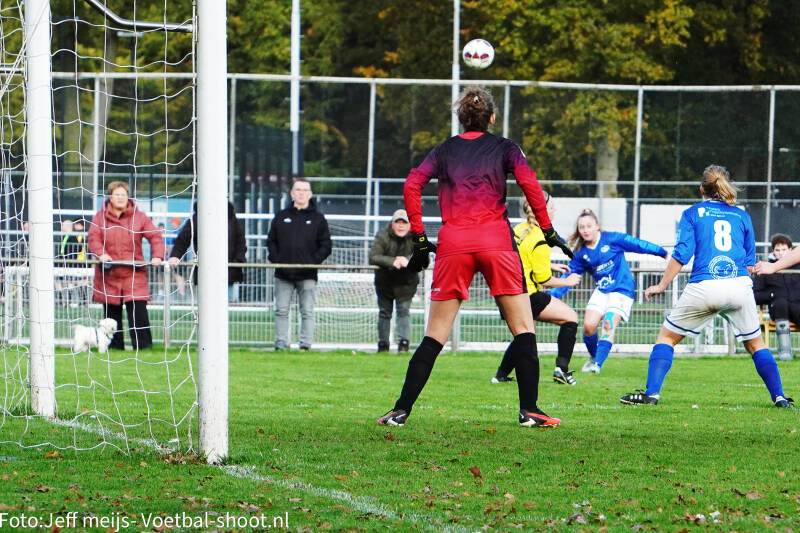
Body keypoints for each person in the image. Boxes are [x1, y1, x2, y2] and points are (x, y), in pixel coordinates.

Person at [377, 87, 573, 428]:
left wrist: (421, 237)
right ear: (492, 118)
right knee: (524, 328)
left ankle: (400, 410)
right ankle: (531, 410)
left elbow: (412, 184)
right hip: (496, 241)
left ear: (460, 118)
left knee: (435, 334)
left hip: (454, 243)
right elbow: (529, 183)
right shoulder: (506, 147)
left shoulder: (444, 150)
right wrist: (548, 228)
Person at [620, 165, 793, 408]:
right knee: (756, 344)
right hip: (739, 285)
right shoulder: (741, 214)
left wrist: (661, 285)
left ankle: (652, 394)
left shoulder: (692, 214)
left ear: (702, 189)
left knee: (667, 337)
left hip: (704, 285)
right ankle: (780, 397)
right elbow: (750, 261)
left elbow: (681, 254)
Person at [561, 209, 667, 374]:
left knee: (608, 322)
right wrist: (550, 296)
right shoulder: (581, 254)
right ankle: (594, 357)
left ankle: (597, 365)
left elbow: (637, 244)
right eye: (582, 227)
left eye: (589, 226)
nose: (585, 230)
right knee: (589, 326)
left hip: (622, 289)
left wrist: (662, 253)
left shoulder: (612, 239)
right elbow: (567, 277)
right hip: (602, 290)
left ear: (597, 226)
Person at [491, 194, 581, 386]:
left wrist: (552, 266)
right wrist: (569, 281)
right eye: (553, 207)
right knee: (571, 318)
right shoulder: (541, 236)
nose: (555, 210)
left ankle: (500, 375)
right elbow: (544, 280)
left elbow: (524, 260)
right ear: (543, 210)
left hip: (508, 292)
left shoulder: (519, 229)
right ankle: (561, 370)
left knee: (524, 334)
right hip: (527, 294)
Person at [88, 181, 165, 350]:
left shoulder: (140, 217)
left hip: (134, 274)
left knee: (138, 313)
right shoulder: (99, 217)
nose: (121, 198)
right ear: (110, 197)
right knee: (111, 314)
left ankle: (144, 348)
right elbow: (93, 239)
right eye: (117, 194)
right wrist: (102, 254)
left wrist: (157, 256)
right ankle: (115, 347)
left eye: (123, 194)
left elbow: (155, 236)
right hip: (109, 274)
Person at [267, 179, 332, 350]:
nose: (301, 193)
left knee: (307, 311)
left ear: (310, 194)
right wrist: (277, 259)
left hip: (307, 275)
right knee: (281, 311)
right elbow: (271, 241)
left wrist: (312, 262)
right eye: (298, 189)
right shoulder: (281, 216)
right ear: (292, 193)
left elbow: (326, 245)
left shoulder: (318, 219)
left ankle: (305, 345)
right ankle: (281, 345)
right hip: (283, 274)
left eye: (305, 190)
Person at [168, 202, 248, 301]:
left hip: (228, 269)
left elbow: (240, 241)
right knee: (205, 303)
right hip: (205, 270)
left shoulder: (230, 217)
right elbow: (183, 238)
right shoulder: (198, 217)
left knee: (225, 302)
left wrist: (238, 261)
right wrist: (176, 255)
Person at [369, 208, 419, 353]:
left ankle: (404, 344)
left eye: (404, 222)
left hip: (407, 283)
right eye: (398, 222)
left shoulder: (416, 237)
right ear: (392, 224)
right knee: (385, 312)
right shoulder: (382, 236)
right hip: (385, 282)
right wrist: (392, 261)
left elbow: (424, 259)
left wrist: (408, 261)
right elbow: (373, 256)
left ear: (409, 225)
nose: (401, 225)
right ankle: (383, 345)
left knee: (404, 311)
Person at [753, 234, 800, 361]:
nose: (781, 253)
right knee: (780, 302)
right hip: (778, 309)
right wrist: (772, 294)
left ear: (791, 250)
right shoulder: (766, 268)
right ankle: (784, 351)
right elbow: (755, 295)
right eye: (777, 250)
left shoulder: (798, 267)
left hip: (797, 306)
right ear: (773, 251)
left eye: (784, 250)